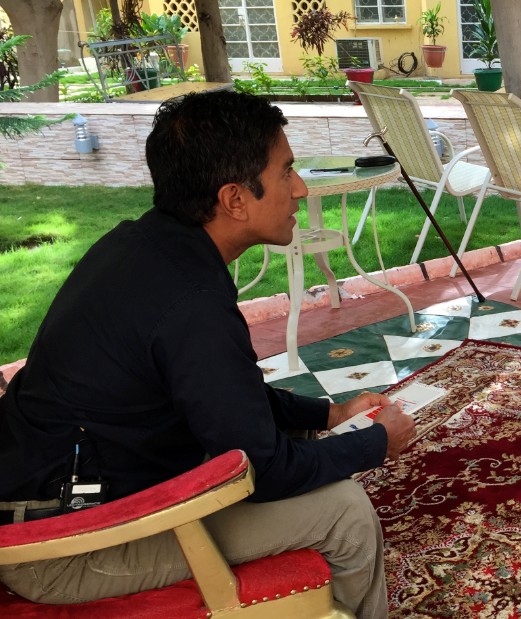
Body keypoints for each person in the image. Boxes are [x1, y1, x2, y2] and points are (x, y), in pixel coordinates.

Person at [0, 90, 416, 618]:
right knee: (345, 512)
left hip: (48, 494)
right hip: (61, 543)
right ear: (235, 199)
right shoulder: (190, 302)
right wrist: (374, 444)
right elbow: (262, 471)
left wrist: (329, 415)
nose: (300, 188)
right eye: (286, 171)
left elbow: (224, 395)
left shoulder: (145, 246)